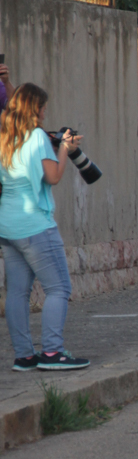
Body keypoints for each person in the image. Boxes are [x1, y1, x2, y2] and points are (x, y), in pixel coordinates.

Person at [0, 83, 90, 370]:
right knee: (58, 288)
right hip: (35, 224)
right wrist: (63, 148)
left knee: (17, 292)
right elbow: (53, 177)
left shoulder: (5, 135)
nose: (45, 113)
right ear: (35, 108)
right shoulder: (37, 136)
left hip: (8, 225)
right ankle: (52, 353)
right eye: (43, 108)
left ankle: (24, 356)